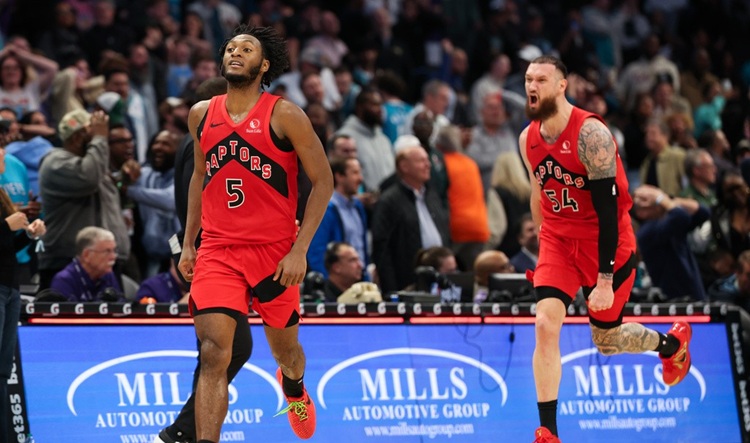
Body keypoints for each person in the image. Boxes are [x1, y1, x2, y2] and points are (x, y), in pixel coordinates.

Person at [520, 56, 692, 443]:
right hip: (558, 239)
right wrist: (543, 243)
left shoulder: (591, 135)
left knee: (608, 342)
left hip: (604, 240)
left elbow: (609, 212)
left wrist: (603, 279)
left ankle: (671, 345)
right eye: (528, 79)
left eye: (541, 79)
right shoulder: (526, 138)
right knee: (545, 324)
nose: (532, 86)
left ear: (562, 85)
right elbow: (538, 193)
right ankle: (548, 433)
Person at [179, 25, 333, 442]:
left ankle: (294, 388)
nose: (235, 53)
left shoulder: (285, 115)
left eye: (246, 49)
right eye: (230, 47)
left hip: (274, 254)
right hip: (218, 251)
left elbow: (323, 181)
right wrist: (189, 243)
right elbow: (199, 177)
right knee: (213, 353)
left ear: (264, 65)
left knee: (287, 353)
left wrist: (300, 250)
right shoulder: (201, 114)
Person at [38, 109, 132, 290]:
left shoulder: (92, 163)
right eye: (94, 133)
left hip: (103, 261)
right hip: (66, 260)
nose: (102, 139)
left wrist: (123, 180)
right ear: (77, 137)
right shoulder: (55, 162)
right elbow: (89, 179)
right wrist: (99, 139)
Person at [0, 144, 45, 441]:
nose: (3, 153)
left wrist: (29, 236)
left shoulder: (2, 195)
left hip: (10, 285)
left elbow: (7, 249)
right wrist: (6, 225)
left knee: (3, 371)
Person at [49, 226, 123, 302]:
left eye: (114, 251)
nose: (113, 257)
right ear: (86, 255)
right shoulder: (64, 280)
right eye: (107, 251)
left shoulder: (108, 275)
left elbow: (120, 306)